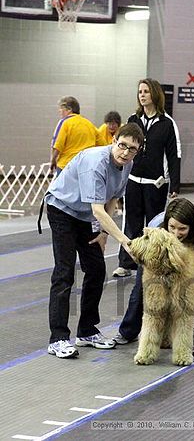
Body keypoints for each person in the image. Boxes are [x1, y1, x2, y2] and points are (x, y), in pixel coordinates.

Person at [45, 122, 144, 359]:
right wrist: (125, 242)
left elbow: (112, 200)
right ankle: (58, 338)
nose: (125, 152)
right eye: (122, 145)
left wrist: (102, 233)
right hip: (62, 209)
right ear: (113, 141)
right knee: (65, 272)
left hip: (85, 215)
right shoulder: (95, 163)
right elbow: (98, 210)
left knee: (97, 269)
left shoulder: (127, 164)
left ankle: (87, 331)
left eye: (132, 149)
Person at [112, 198, 194, 358]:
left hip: (185, 261)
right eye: (172, 227)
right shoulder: (155, 225)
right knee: (142, 296)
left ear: (191, 227)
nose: (175, 233)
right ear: (166, 223)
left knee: (188, 303)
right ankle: (128, 332)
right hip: (154, 259)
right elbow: (145, 254)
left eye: (182, 229)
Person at [113, 78, 181, 278]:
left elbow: (174, 155)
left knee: (155, 226)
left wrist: (174, 185)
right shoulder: (133, 120)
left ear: (155, 94)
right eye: (140, 91)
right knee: (131, 223)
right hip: (133, 181)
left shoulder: (168, 124)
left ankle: (154, 265)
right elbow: (121, 147)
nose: (142, 95)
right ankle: (126, 263)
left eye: (146, 91)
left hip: (156, 184)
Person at [50, 96, 102, 176]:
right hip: (85, 167)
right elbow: (101, 145)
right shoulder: (89, 124)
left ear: (69, 109)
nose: (59, 111)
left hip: (66, 165)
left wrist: (53, 161)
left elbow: (57, 145)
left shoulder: (64, 122)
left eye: (61, 108)